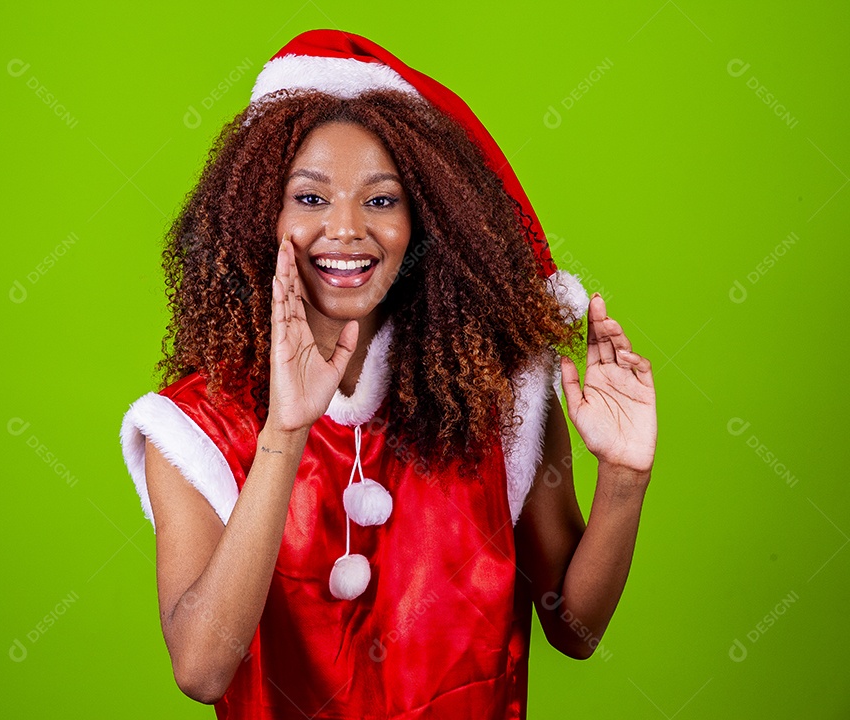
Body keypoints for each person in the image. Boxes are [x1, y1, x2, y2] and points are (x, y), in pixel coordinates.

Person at [120, 29, 657, 719]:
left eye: (380, 200)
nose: (346, 228)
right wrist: (284, 433)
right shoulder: (196, 425)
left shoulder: (502, 394)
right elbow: (201, 668)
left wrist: (624, 480)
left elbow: (573, 630)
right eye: (310, 199)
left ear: (424, 220)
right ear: (263, 214)